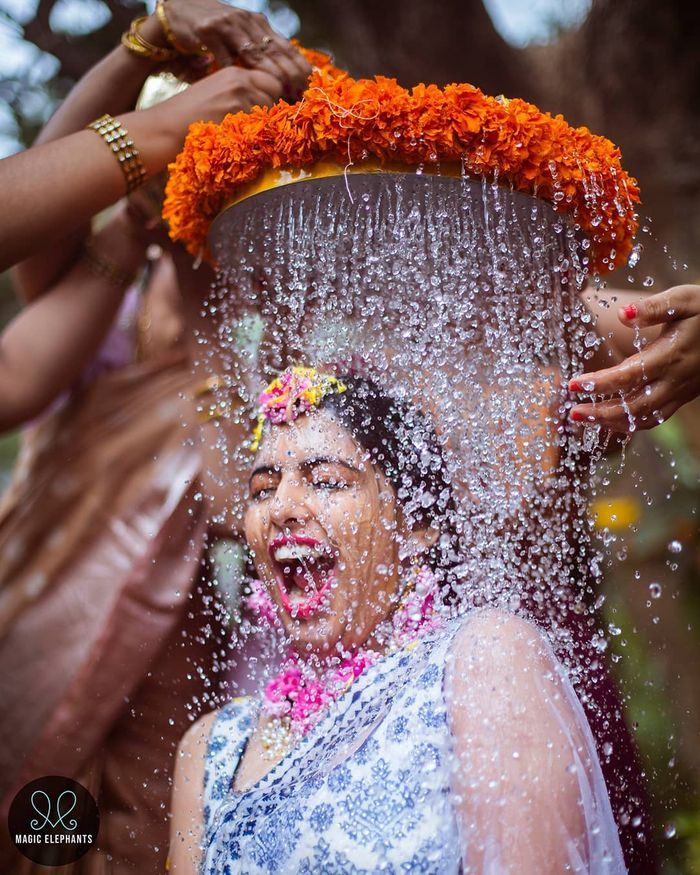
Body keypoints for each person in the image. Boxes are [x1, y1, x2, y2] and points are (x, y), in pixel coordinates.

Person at [167, 366, 626, 873]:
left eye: (326, 482)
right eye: (262, 490)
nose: (282, 508)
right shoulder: (211, 749)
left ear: (417, 524)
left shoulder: (483, 661)